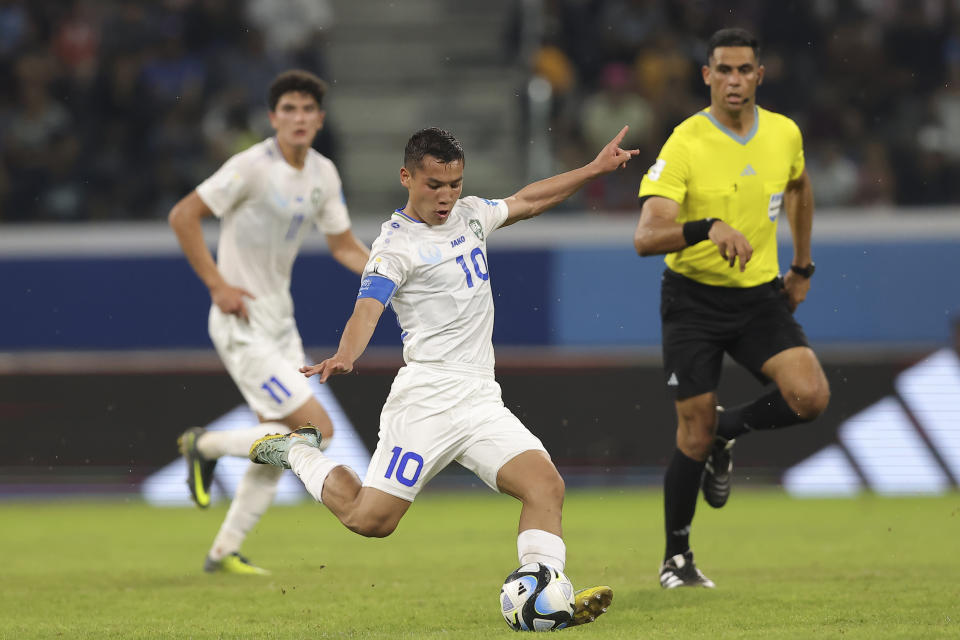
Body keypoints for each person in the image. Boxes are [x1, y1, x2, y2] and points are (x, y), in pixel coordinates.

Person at [249, 126, 638, 625]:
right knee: (371, 521)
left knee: (546, 486)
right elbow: (367, 307)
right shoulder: (395, 247)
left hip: (480, 399)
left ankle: (543, 596)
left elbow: (528, 200)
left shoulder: (471, 215)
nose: (447, 196)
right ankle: (298, 452)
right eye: (435, 185)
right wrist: (346, 354)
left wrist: (594, 169)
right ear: (407, 177)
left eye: (454, 183)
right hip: (427, 402)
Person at [633, 28, 831, 589]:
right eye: (724, 70)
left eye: (745, 70)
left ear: (760, 76)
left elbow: (798, 187)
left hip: (759, 298)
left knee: (811, 395)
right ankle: (677, 559)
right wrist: (705, 227)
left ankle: (729, 429)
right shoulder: (686, 141)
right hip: (692, 300)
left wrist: (803, 266)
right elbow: (646, 237)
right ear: (707, 76)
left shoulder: (784, 134)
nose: (735, 80)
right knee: (689, 432)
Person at [168, 69, 369, 574]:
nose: (298, 118)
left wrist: (388, 270)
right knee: (312, 429)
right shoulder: (251, 167)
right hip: (240, 321)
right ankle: (205, 445)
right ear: (273, 117)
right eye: (289, 110)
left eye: (307, 110)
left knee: (279, 445)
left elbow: (343, 245)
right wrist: (218, 285)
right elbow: (183, 216)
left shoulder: (323, 173)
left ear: (319, 120)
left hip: (281, 322)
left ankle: (222, 552)